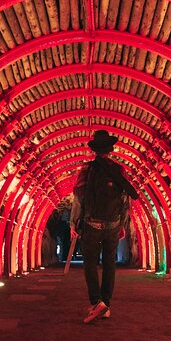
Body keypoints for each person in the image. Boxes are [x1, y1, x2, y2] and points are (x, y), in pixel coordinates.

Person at [70, 130, 139, 323]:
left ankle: (96, 302)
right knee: (110, 264)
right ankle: (106, 305)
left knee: (90, 263)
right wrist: (123, 224)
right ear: (110, 149)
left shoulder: (87, 169)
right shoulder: (119, 170)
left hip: (91, 224)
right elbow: (126, 201)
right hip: (113, 224)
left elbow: (78, 198)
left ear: (95, 150)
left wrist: (73, 223)